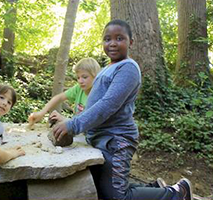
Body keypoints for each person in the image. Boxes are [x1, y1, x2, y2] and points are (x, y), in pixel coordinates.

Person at [51, 19, 192, 200]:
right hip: (101, 138)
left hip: (117, 140)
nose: (112, 43)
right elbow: (93, 106)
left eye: (119, 38)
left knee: (117, 197)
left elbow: (108, 105)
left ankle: (177, 193)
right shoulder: (106, 69)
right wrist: (68, 121)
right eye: (107, 39)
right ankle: (154, 188)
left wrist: (74, 125)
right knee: (105, 188)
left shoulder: (128, 69)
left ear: (131, 42)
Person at [28, 57, 101, 127]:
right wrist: (42, 113)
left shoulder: (99, 94)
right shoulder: (79, 88)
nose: (80, 81)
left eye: (84, 77)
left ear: (96, 76)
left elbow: (88, 123)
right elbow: (59, 97)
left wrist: (64, 119)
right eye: (78, 77)